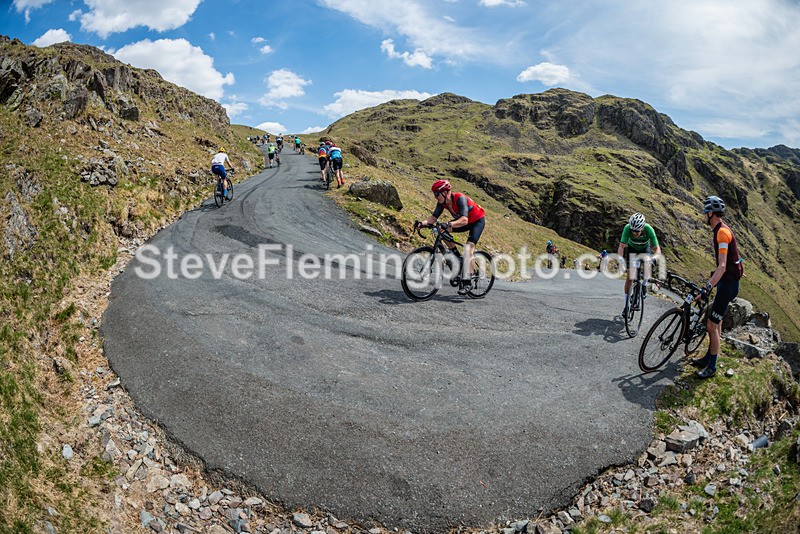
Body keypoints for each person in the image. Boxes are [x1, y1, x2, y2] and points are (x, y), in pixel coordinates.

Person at [691, 196, 743, 379]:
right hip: (726, 282)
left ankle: (712, 367)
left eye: (705, 212)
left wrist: (706, 287)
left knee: (711, 325)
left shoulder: (721, 233)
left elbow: (722, 266)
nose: (704, 215)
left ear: (711, 213)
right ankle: (709, 357)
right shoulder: (721, 229)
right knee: (717, 321)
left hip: (728, 284)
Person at [414, 180, 486, 295]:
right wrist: (421, 223)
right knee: (441, 230)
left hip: (477, 221)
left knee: (468, 249)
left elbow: (464, 220)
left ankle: (468, 281)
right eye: (434, 194)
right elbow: (433, 218)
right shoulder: (442, 203)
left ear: (445, 192)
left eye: (437, 194)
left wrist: (449, 224)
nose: (435, 197)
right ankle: (457, 257)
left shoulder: (459, 198)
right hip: (464, 221)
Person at [617, 213, 661, 316]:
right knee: (629, 278)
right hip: (632, 250)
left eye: (637, 231)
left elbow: (657, 249)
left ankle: (644, 284)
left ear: (642, 228)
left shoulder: (649, 229)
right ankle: (626, 305)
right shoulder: (627, 228)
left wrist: (654, 258)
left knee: (647, 265)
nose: (634, 233)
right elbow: (621, 247)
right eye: (633, 230)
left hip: (644, 249)